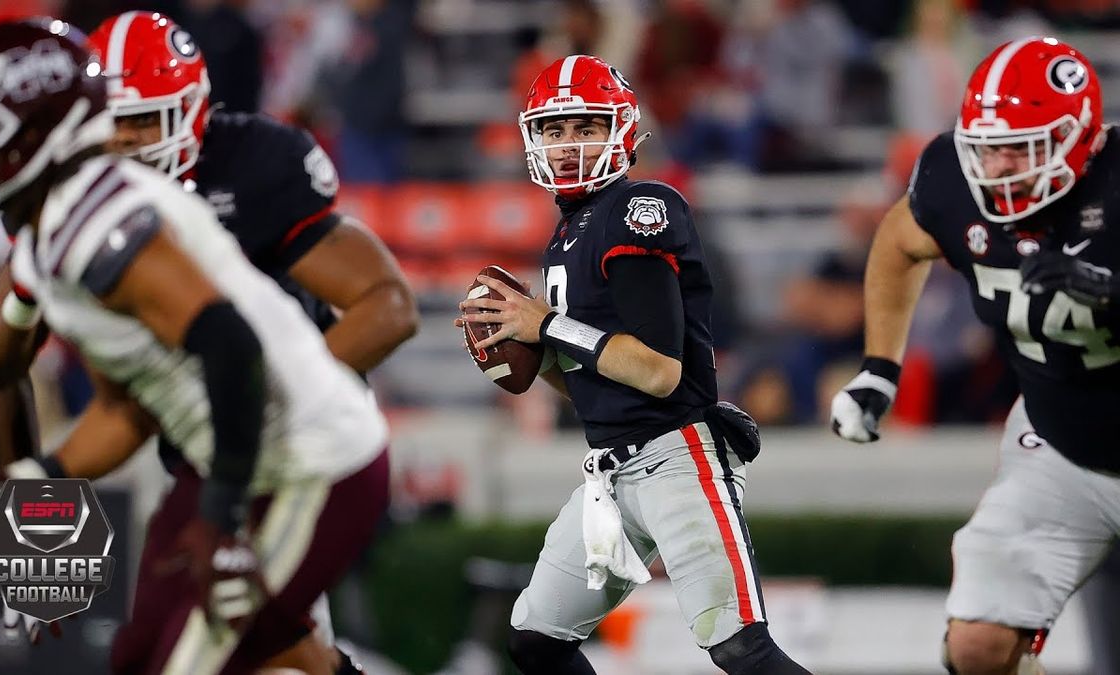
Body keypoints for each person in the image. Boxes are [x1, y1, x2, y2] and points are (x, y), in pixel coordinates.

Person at [0, 19, 389, 674]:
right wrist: (32, 481)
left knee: (190, 661)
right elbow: (126, 408)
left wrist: (223, 513)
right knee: (139, 654)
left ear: (44, 135)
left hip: (305, 461)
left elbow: (233, 347)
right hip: (231, 456)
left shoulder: (100, 224)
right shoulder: (49, 235)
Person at [85, 12, 418, 673]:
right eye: (109, 123)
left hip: (290, 456)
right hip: (201, 463)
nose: (125, 143)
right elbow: (117, 407)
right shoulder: (80, 211)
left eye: (145, 121)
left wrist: (269, 401)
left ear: (190, 113)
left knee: (231, 647)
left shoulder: (251, 170)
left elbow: (389, 306)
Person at [457, 54, 810, 675]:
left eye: (586, 126)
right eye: (556, 130)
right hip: (612, 473)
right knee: (537, 640)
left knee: (741, 650)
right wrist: (535, 358)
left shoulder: (640, 207)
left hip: (678, 456)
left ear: (620, 130)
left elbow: (658, 372)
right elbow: (600, 384)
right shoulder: (567, 234)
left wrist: (544, 325)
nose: (570, 145)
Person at [830, 36, 1120, 674]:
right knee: (977, 646)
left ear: (1082, 137)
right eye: (989, 148)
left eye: (1022, 146)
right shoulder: (953, 182)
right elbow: (900, 242)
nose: (1001, 167)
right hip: (1062, 447)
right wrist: (881, 367)